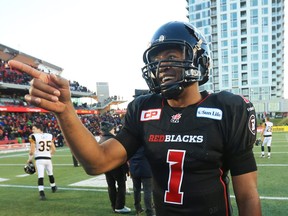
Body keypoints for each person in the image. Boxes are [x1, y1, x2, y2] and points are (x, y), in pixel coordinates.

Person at [9, 20, 262, 215]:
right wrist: (65, 111)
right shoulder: (144, 109)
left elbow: (248, 194)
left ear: (199, 61)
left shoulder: (228, 108)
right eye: (157, 60)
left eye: (172, 57)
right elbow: (97, 162)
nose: (162, 66)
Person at [99, 121, 131, 214]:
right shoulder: (114, 140)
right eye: (113, 128)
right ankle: (120, 206)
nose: (114, 130)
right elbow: (121, 155)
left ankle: (114, 206)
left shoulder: (101, 140)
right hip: (117, 167)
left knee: (111, 186)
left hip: (107, 167)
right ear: (110, 129)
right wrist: (126, 169)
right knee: (121, 186)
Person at [27, 124, 57, 200]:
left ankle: (42, 193)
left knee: (40, 176)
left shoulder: (33, 136)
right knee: (50, 174)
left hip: (39, 159)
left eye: (34, 129)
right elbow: (54, 149)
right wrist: (49, 155)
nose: (32, 131)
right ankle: (53, 187)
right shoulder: (49, 135)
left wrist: (29, 159)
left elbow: (32, 151)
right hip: (48, 159)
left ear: (39, 129)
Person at [129, 146, 154, 216]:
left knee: (136, 190)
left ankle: (138, 208)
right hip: (146, 169)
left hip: (134, 168)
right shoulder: (147, 144)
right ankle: (149, 211)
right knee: (147, 191)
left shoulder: (133, 144)